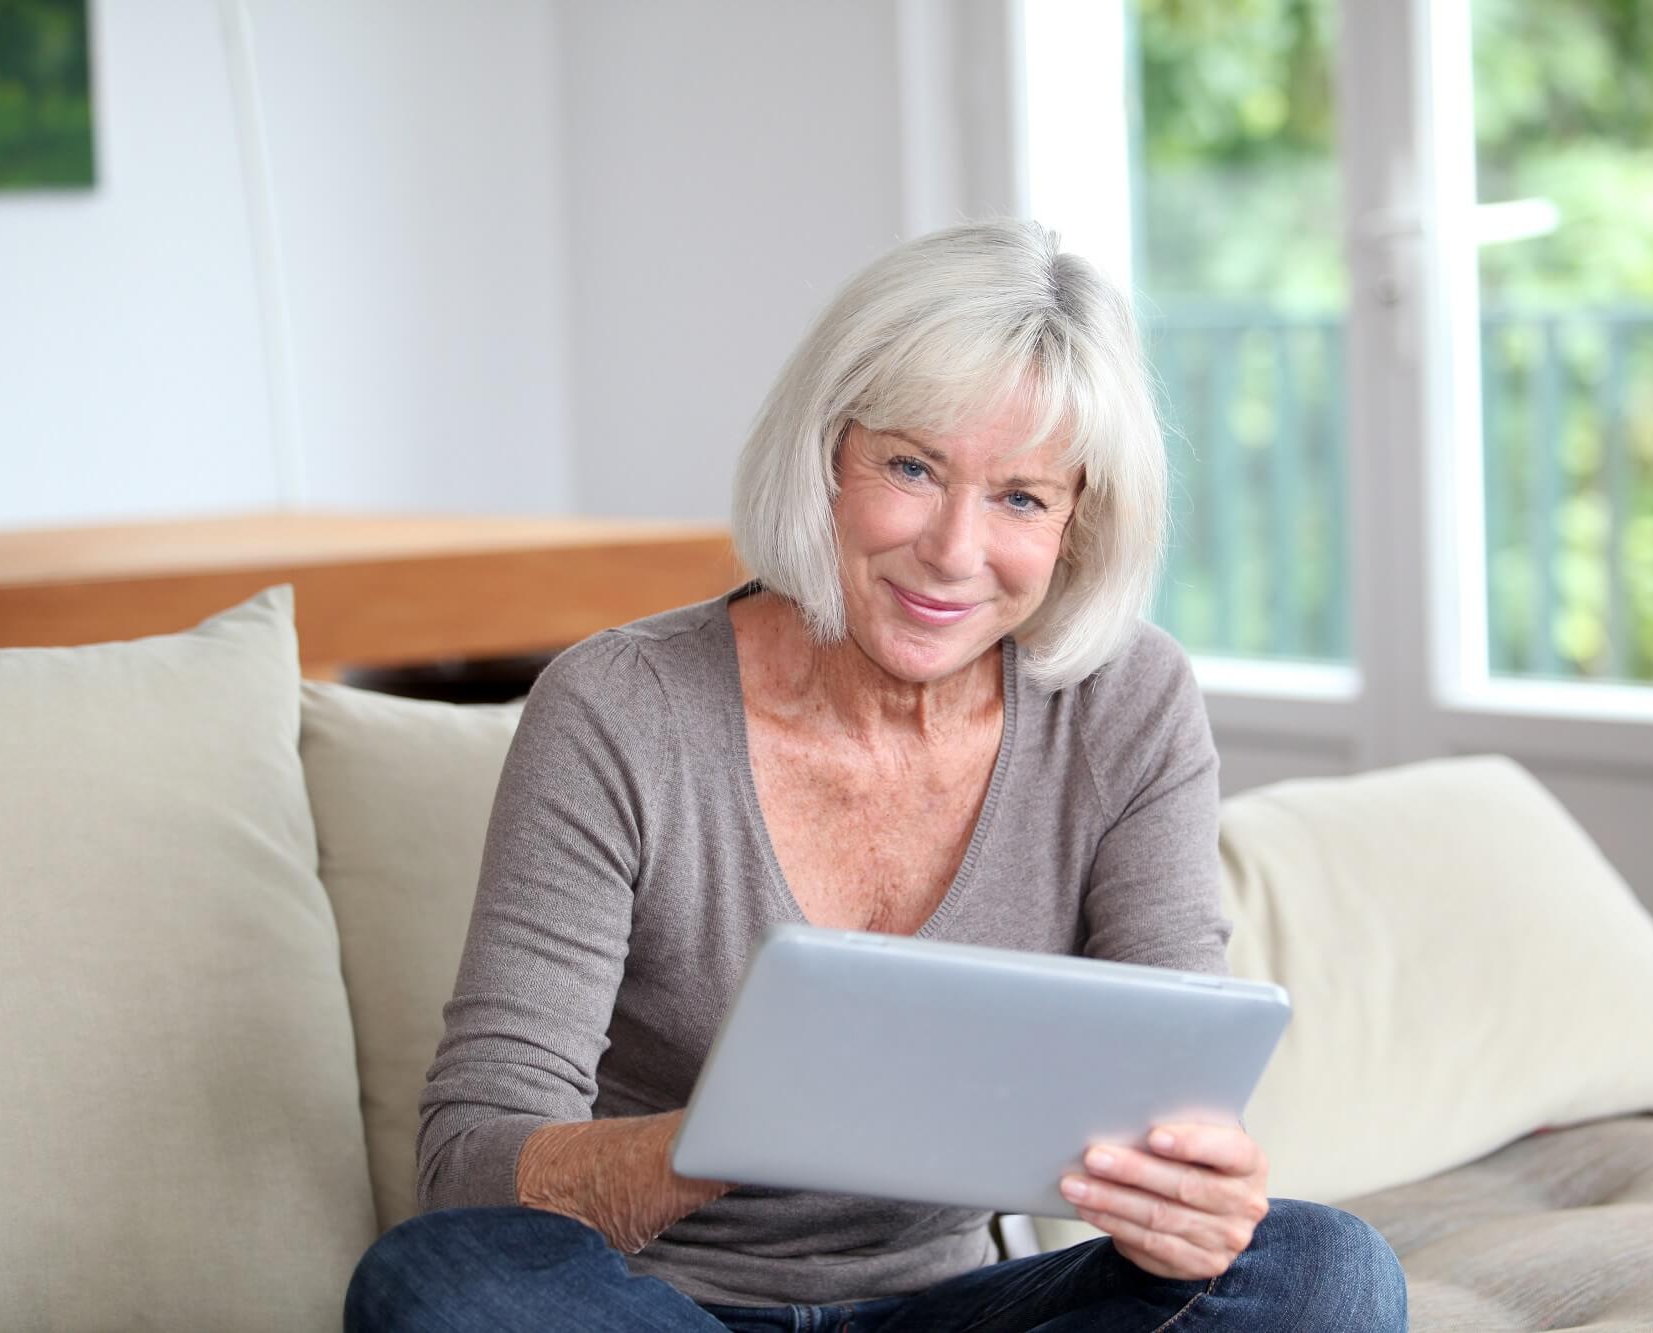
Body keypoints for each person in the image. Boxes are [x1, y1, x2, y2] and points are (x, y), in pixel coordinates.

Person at [345, 219, 1408, 1331]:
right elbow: (470, 1169)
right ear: (825, 456)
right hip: (661, 1309)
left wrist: (1191, 1196)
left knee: (1322, 1266)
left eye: (1020, 498)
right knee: (436, 1284)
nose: (954, 550)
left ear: (1075, 526)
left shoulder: (1124, 702)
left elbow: (1170, 1090)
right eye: (911, 468)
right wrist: (747, 1125)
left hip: (951, 1307)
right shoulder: (618, 710)